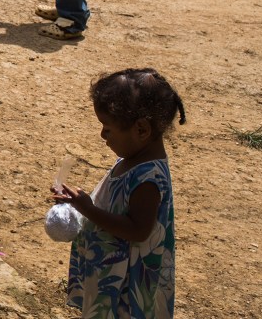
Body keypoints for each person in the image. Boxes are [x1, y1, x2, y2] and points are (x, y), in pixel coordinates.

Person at [53, 68, 185, 318]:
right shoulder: (132, 158)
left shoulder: (147, 178)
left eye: (108, 128)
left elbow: (138, 230)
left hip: (126, 288)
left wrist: (88, 210)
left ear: (142, 130)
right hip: (113, 275)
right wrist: (77, 205)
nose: (103, 134)